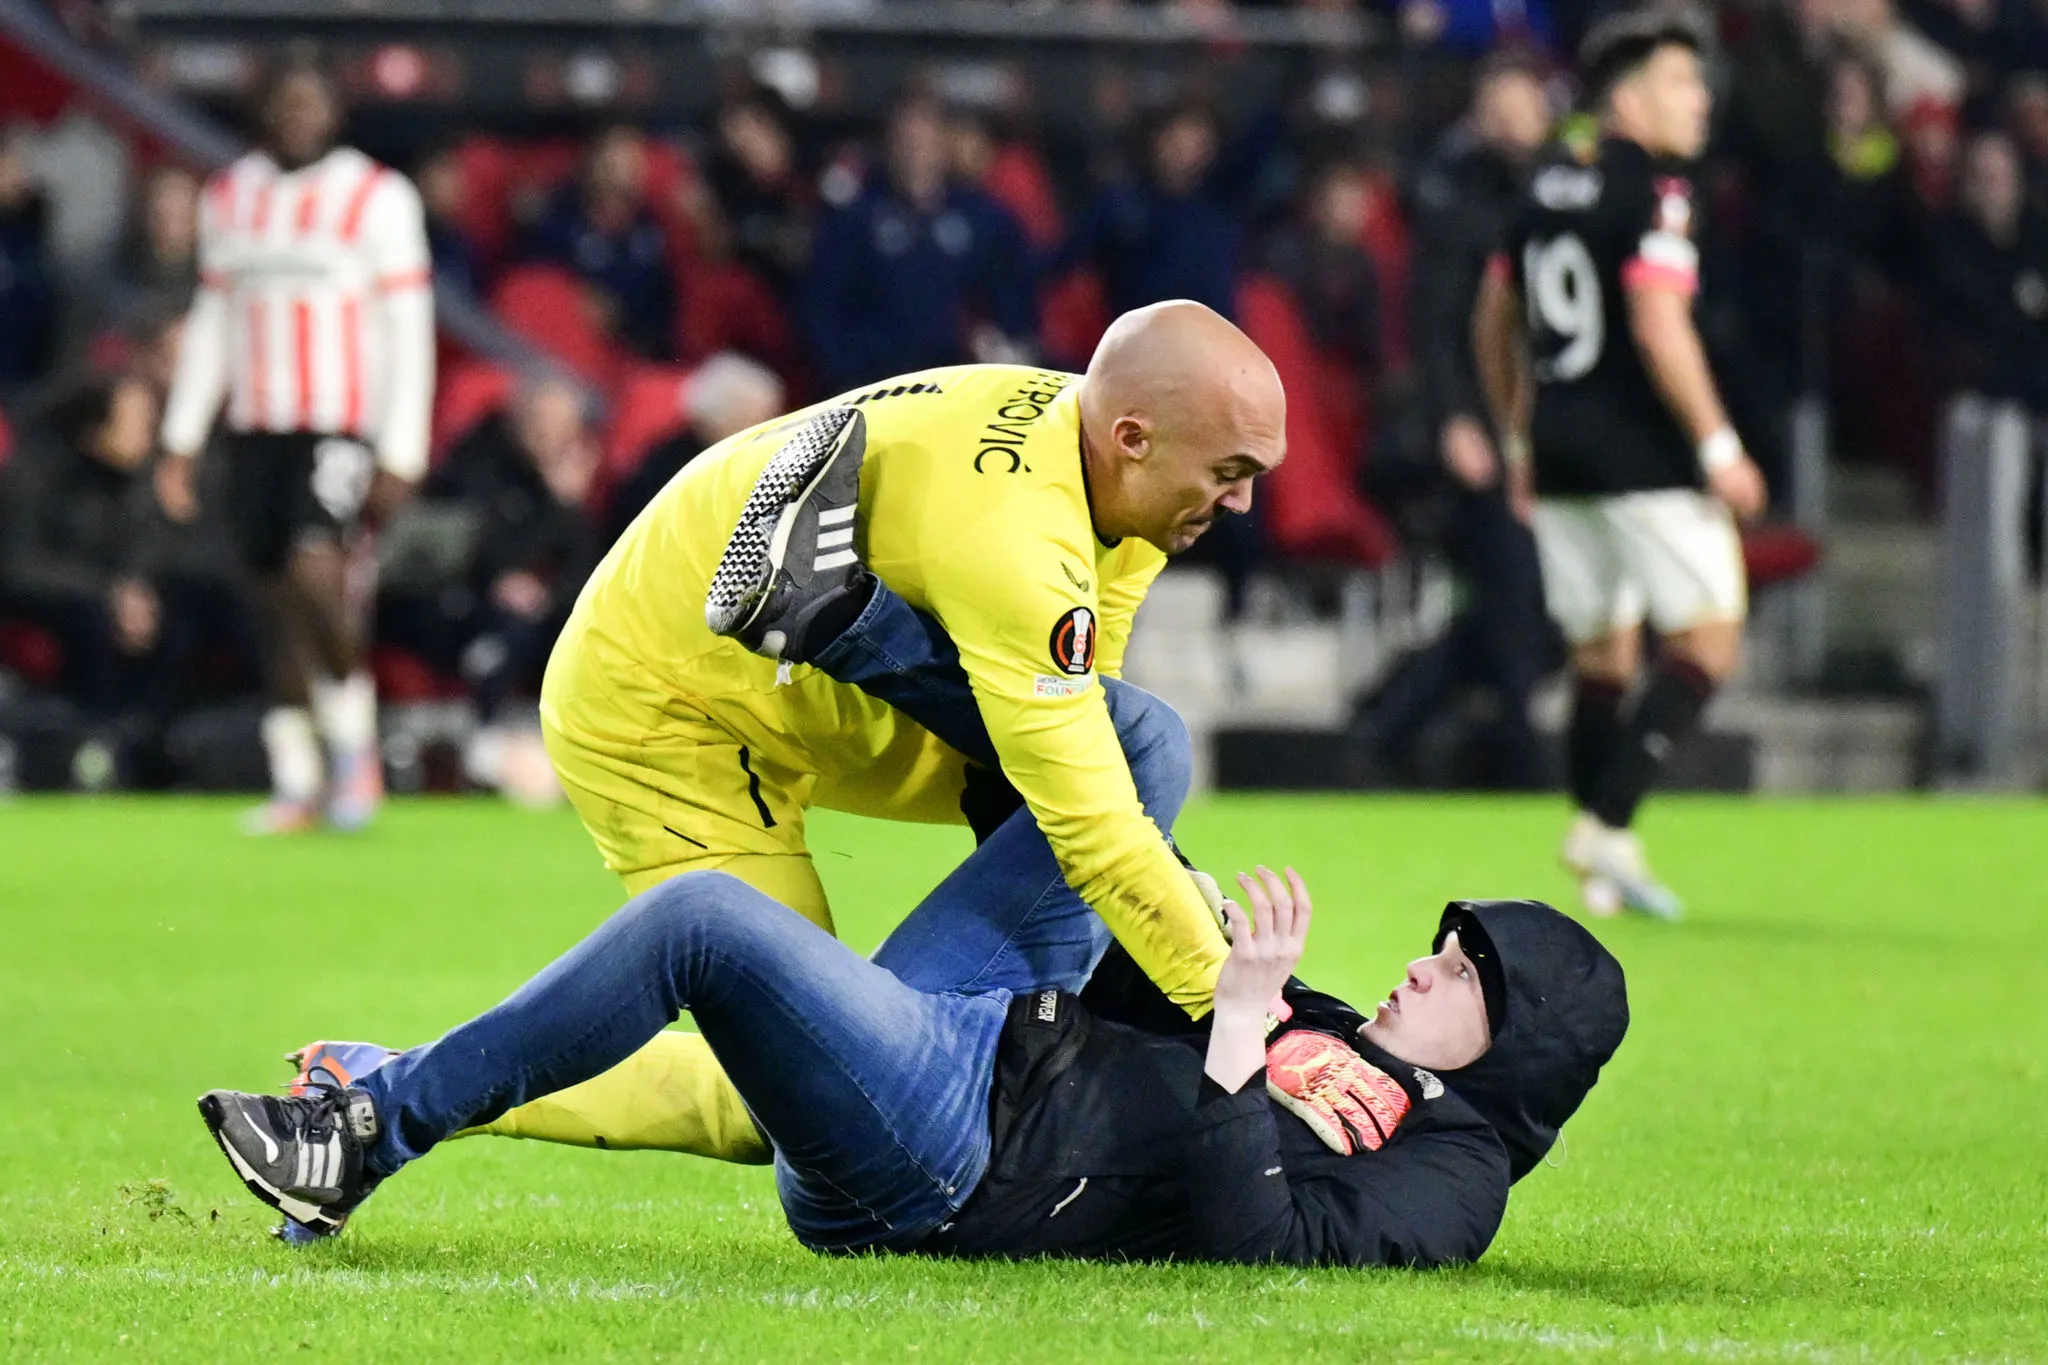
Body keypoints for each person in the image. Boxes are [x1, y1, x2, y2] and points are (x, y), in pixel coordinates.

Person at [200, 584, 1629, 1262]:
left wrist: (1245, 1034)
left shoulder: (1454, 1172)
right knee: (1139, 752)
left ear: (1515, 1051)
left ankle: (365, 1133)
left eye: (1469, 971)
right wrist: (1169, 909)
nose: (1432, 958)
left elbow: (1262, 1245)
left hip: (956, 1158)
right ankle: (845, 622)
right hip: (997, 1027)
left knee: (705, 920)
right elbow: (1143, 982)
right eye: (1453, 941)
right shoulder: (1330, 1029)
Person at [447, 300, 1284, 1170]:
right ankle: (395, 1089)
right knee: (799, 1081)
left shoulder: (1109, 465)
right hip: (660, 703)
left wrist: (1158, 896)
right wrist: (1244, 1012)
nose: (1244, 497)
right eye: (1230, 467)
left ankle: (835, 611)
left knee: (1107, 761)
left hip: (775, 674)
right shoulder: (1019, 539)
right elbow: (1094, 825)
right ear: (1136, 437)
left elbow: (1083, 729)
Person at [1474, 10, 1768, 918]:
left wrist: (1518, 436)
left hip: (1558, 449)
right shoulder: (1659, 191)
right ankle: (1605, 821)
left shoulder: (1547, 181)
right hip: (1642, 452)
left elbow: (1493, 312)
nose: (1702, 99)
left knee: (1603, 657)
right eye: (1685, 82)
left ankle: (1603, 865)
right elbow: (1656, 318)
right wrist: (1720, 445)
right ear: (1631, 94)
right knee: (1708, 640)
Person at [155, 59, 435, 833]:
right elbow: (214, 321)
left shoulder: (376, 196)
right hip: (256, 424)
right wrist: (180, 437)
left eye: (312, 100)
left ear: (335, 113)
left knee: (319, 572)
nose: (298, 116)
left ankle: (353, 752)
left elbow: (408, 328)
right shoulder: (231, 196)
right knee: (271, 597)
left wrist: (402, 445)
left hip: (337, 419)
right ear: (262, 110)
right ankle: (297, 778)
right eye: (285, 100)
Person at [802, 98, 1037, 391]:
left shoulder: (979, 216)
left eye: (926, 142)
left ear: (942, 146)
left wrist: (1003, 339)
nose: (916, 152)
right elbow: (825, 303)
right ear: (889, 147)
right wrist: (848, 368)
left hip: (959, 380)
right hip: (879, 381)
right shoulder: (856, 220)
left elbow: (1013, 284)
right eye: (907, 142)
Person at [525, 126, 675, 361]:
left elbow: (662, 299)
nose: (625, 169)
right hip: (570, 348)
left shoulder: (652, 224)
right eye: (615, 158)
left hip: (636, 348)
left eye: (633, 159)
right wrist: (572, 296)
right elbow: (537, 285)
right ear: (594, 162)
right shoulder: (561, 217)